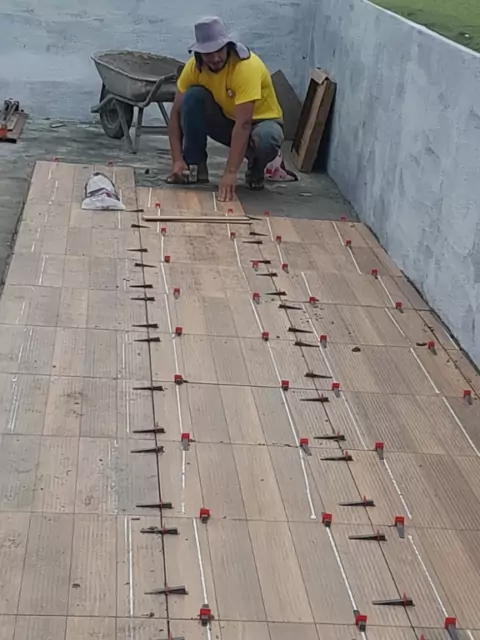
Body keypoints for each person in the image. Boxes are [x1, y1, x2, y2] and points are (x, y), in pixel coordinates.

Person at [167, 16, 284, 202]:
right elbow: (176, 112)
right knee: (192, 97)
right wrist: (177, 160)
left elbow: (244, 124)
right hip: (228, 121)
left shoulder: (245, 67)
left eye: (219, 51)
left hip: (259, 122)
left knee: (267, 138)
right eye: (208, 54)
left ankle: (256, 167)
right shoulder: (194, 67)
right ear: (199, 54)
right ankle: (194, 166)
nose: (215, 58)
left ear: (228, 46)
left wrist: (230, 172)